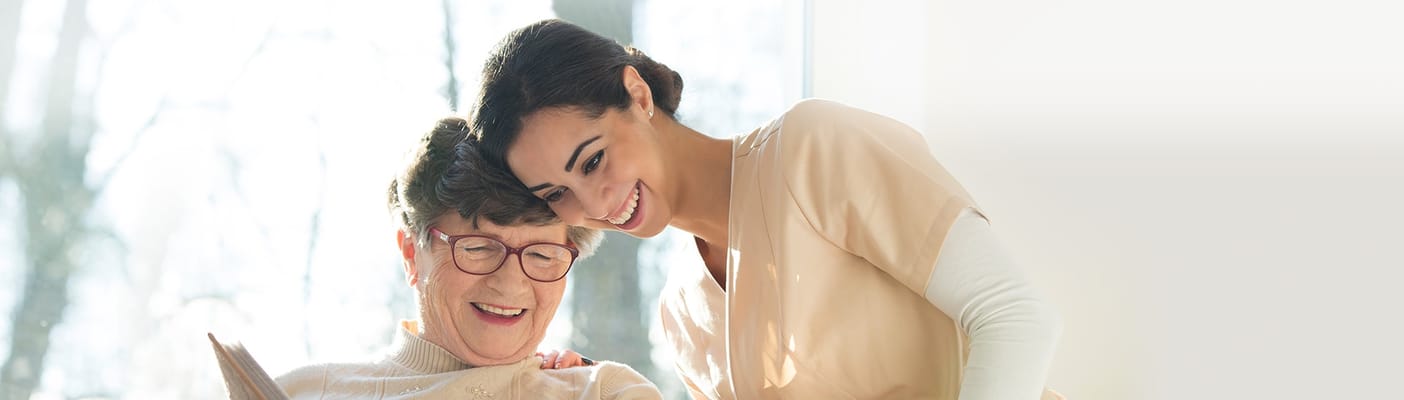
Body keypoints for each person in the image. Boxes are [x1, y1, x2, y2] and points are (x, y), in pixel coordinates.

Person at [459, 19, 1066, 400]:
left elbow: (1014, 317)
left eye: (591, 161)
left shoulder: (812, 149)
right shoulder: (680, 315)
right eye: (556, 196)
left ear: (637, 96)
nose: (593, 205)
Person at [271, 117, 663, 399]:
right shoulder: (296, 393)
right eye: (477, 249)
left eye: (543, 255)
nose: (510, 284)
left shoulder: (604, 393)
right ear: (411, 252)